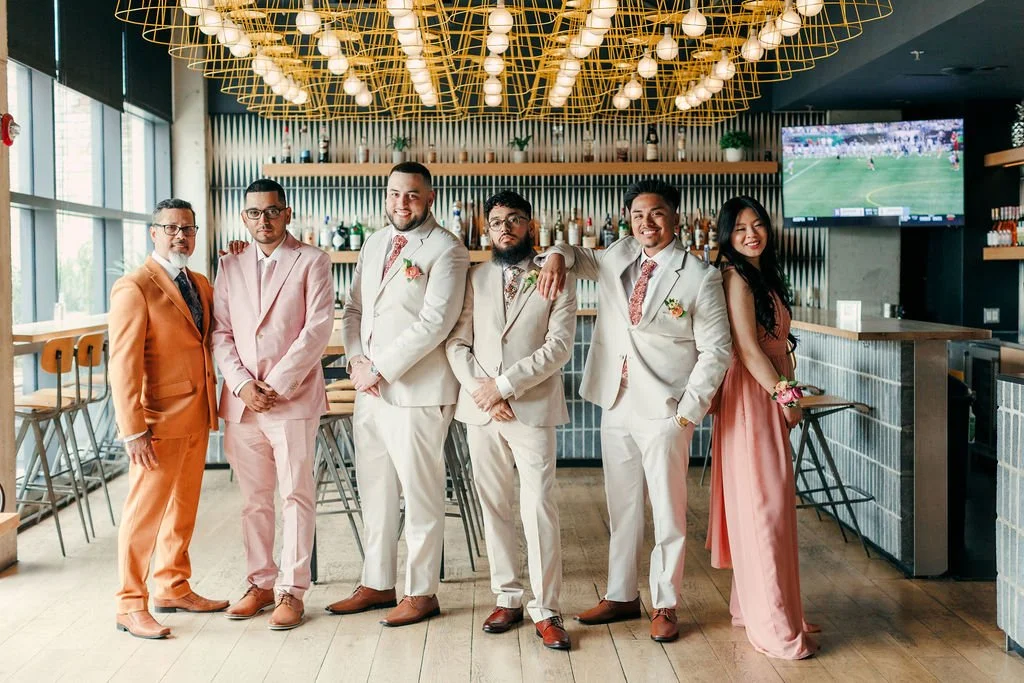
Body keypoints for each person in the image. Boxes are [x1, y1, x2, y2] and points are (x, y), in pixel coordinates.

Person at [537, 179, 731, 642]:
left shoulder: (699, 275)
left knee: (668, 512)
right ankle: (622, 595)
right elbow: (566, 249)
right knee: (621, 507)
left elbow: (717, 351)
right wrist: (559, 255)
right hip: (616, 400)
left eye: (658, 213)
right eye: (639, 214)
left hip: (665, 409)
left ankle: (664, 604)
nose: (648, 222)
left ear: (676, 217)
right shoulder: (615, 255)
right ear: (629, 218)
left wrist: (687, 412)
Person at [328, 162, 469, 626]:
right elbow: (353, 309)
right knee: (376, 489)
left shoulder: (446, 249)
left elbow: (436, 323)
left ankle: (422, 591)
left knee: (421, 493)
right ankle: (377, 582)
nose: (401, 203)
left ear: (429, 198)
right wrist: (355, 361)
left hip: (417, 391)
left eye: (411, 195)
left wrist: (380, 369)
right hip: (370, 389)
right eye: (394, 194)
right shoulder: (374, 243)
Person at [445, 190, 575, 650]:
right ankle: (508, 597)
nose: (505, 227)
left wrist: (504, 387)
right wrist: (484, 392)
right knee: (494, 505)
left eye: (515, 219)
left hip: (531, 407)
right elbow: (457, 343)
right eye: (496, 221)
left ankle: (547, 608)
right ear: (487, 228)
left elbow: (559, 346)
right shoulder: (473, 278)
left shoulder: (554, 276)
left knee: (538, 505)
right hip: (482, 412)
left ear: (530, 226)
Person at [212, 179, 335, 631]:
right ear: (244, 217)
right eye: (253, 213)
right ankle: (260, 582)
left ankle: (292, 589)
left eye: (271, 211)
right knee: (253, 500)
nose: (263, 220)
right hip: (243, 403)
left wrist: (277, 385)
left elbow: (318, 328)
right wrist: (243, 385)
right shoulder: (231, 263)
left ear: (287, 213)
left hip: (292, 398)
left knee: (296, 495)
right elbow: (221, 332)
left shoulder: (312, 261)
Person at [109, 198, 228, 639]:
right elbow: (121, 365)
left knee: (183, 512)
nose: (182, 235)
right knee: (144, 516)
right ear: (153, 232)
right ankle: (129, 603)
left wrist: (232, 263)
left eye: (189, 228)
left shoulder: (198, 281)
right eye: (172, 227)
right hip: (156, 422)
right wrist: (133, 429)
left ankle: (172, 585)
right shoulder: (134, 286)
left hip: (198, 414)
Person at [706, 196, 818, 660]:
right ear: (727, 237)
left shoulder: (762, 276)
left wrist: (788, 388)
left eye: (757, 225)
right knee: (763, 509)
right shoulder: (735, 278)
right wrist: (787, 396)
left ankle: (755, 608)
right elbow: (750, 351)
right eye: (739, 229)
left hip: (769, 391)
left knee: (769, 507)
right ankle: (773, 624)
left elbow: (776, 350)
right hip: (753, 396)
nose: (751, 234)